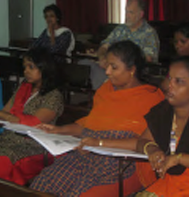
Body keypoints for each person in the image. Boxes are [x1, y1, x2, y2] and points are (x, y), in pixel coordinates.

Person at [30, 40, 164, 197]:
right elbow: (90, 126)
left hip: (124, 164)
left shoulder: (151, 99)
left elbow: (143, 142)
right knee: (42, 184)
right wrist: (58, 130)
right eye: (107, 65)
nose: (107, 72)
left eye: (114, 67)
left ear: (132, 70)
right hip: (86, 156)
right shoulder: (105, 91)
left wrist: (99, 143)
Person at [136, 56, 189, 197]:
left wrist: (179, 158)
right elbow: (142, 141)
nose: (169, 85)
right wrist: (152, 149)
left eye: (179, 81)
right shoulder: (165, 111)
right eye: (169, 78)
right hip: (168, 186)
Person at [0, 47, 64, 185]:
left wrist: (8, 117)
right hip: (8, 138)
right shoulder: (23, 88)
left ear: (44, 68)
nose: (25, 71)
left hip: (31, 144)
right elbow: (4, 113)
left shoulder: (54, 96)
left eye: (31, 67)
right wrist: (7, 116)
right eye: (25, 67)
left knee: (2, 163)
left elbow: (33, 122)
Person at [81, 0, 159, 90]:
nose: (127, 16)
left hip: (130, 73)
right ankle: (105, 92)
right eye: (126, 11)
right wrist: (102, 57)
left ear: (140, 14)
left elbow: (147, 59)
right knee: (84, 64)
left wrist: (119, 65)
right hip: (111, 67)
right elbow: (104, 46)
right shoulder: (120, 29)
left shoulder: (149, 33)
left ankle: (106, 93)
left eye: (131, 12)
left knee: (108, 78)